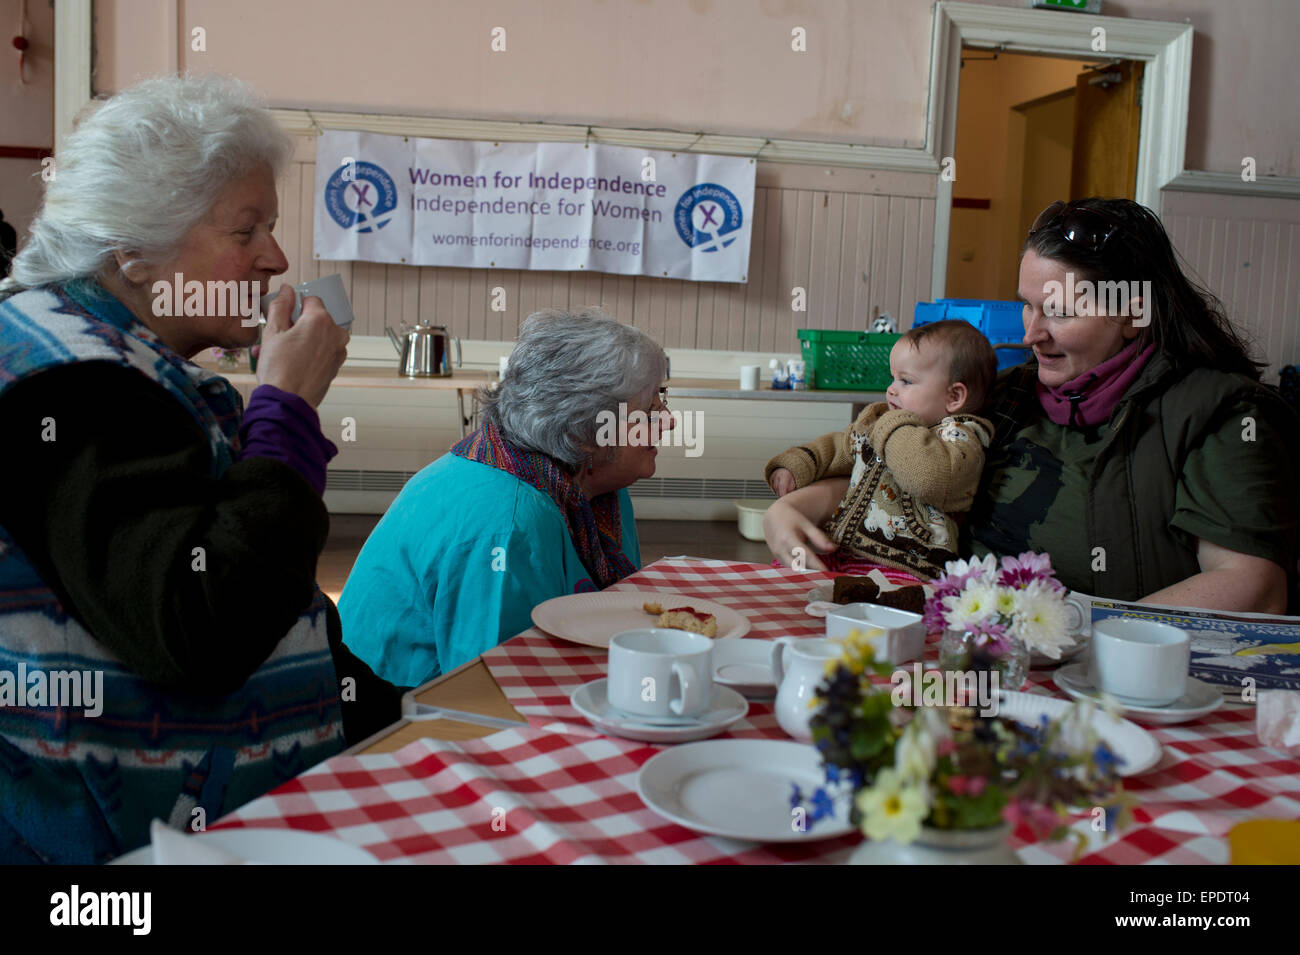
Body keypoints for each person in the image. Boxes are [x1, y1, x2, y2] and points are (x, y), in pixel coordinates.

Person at [0, 74, 399, 864]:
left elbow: (280, 604)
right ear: (136, 253)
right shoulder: (74, 385)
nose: (277, 258)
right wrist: (283, 408)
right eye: (246, 231)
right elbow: (200, 624)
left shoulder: (115, 359)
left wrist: (397, 714)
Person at [765, 198, 1300, 614]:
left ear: (1134, 313)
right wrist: (796, 507)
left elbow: (1251, 588)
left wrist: (1081, 633)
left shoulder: (1222, 416)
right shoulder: (1009, 394)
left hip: (1116, 679)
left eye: (1059, 312)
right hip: (964, 643)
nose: (1032, 334)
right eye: (1027, 305)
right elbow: (912, 467)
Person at [340, 308, 670, 688]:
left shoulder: (601, 490)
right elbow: (494, 691)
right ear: (584, 434)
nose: (669, 420)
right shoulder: (507, 524)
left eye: (662, 398)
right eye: (648, 410)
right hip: (400, 718)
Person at [764, 320, 996, 579]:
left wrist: (891, 423)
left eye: (906, 381)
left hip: (906, 567)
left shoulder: (962, 438)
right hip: (844, 550)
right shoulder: (887, 424)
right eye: (893, 377)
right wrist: (798, 463)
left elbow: (927, 478)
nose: (891, 389)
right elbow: (840, 447)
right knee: (784, 575)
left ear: (954, 397)